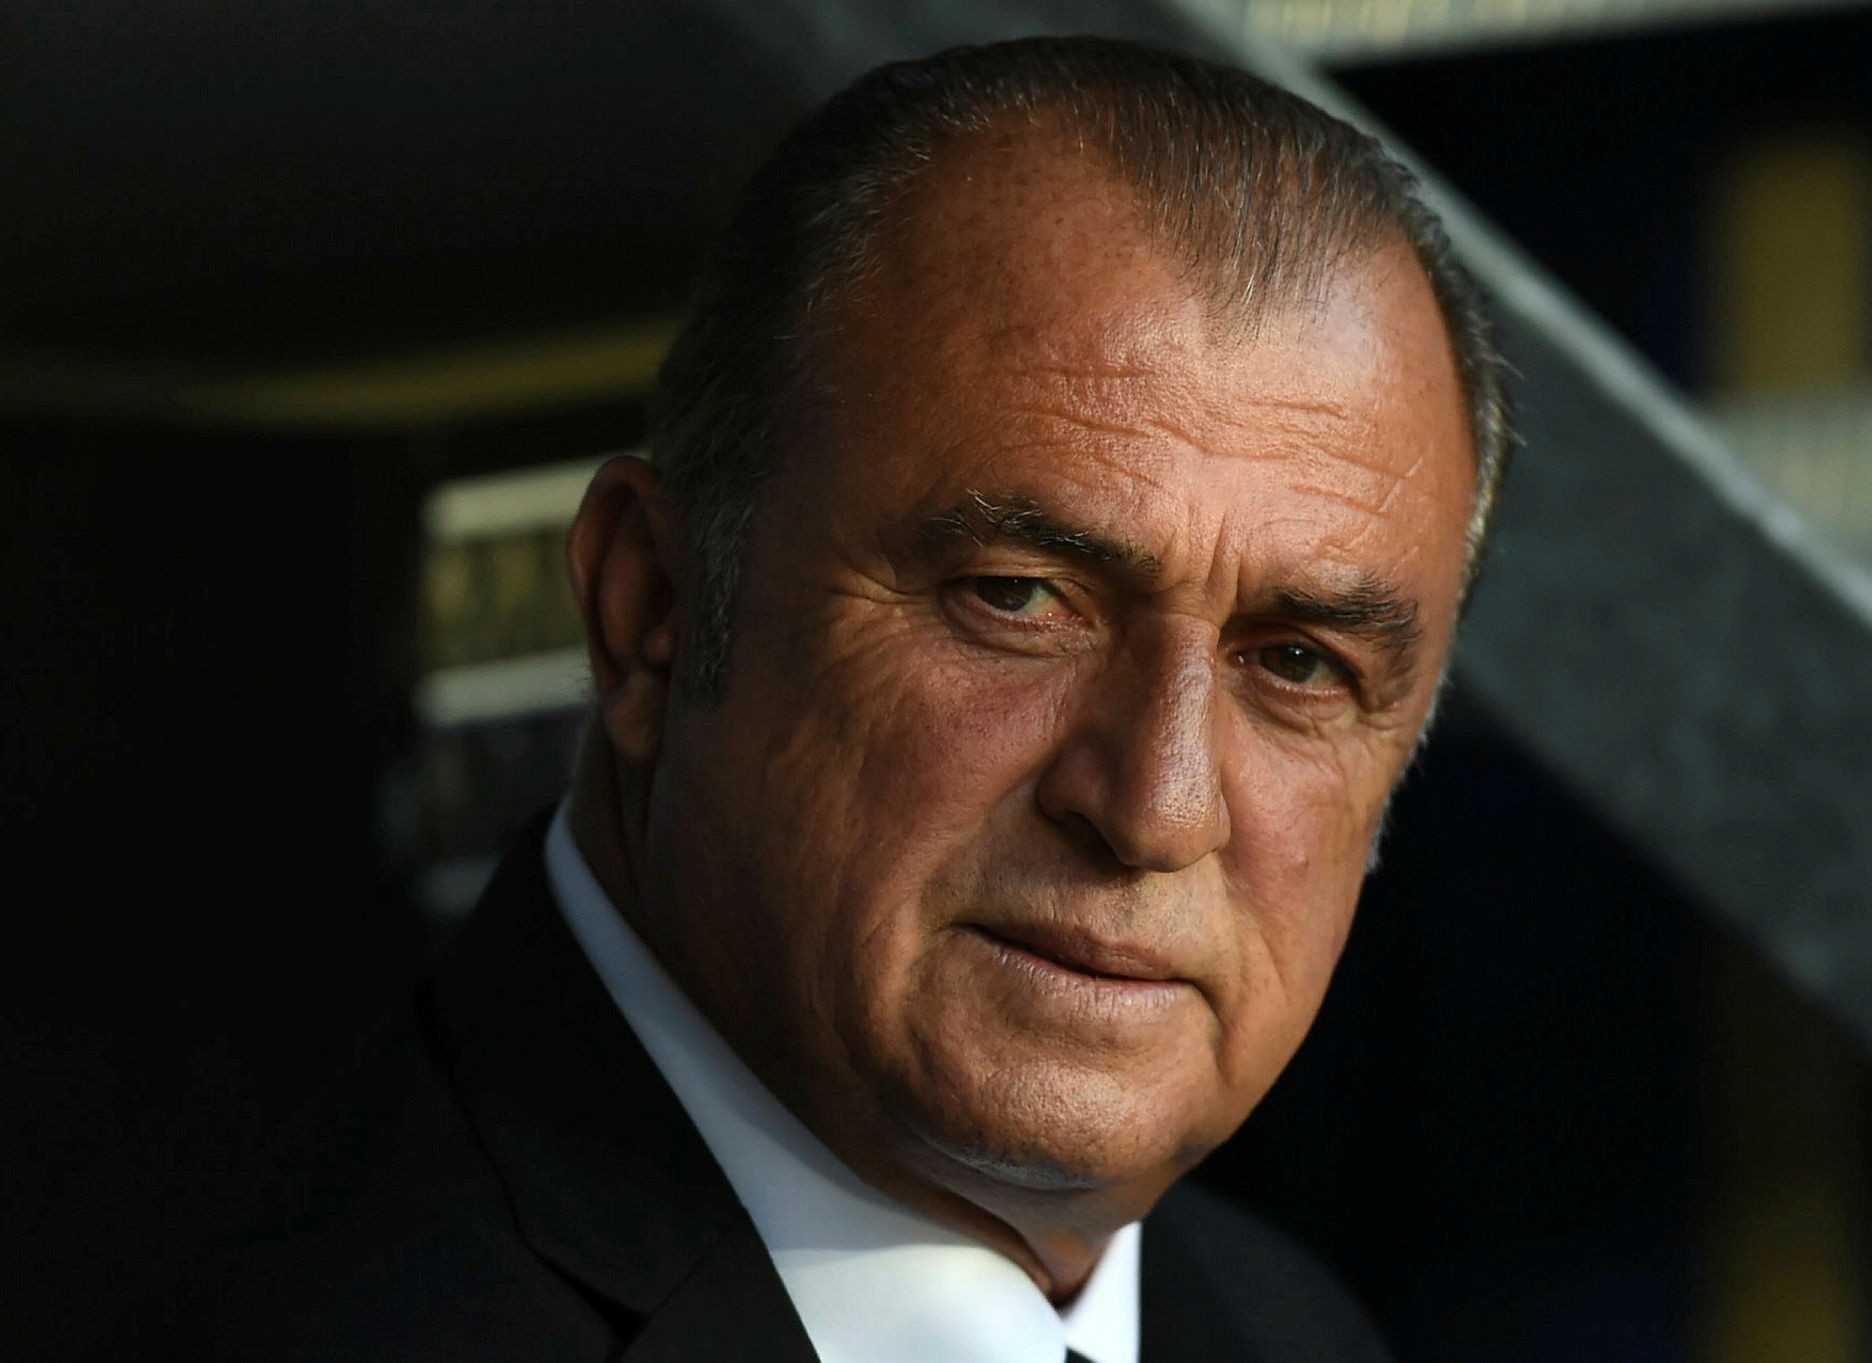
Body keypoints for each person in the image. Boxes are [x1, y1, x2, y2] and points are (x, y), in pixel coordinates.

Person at [83, 34, 1508, 1363]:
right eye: (1018, 598)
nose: (1155, 805)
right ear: (650, 616)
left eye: (1300, 663)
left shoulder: (1276, 1325)